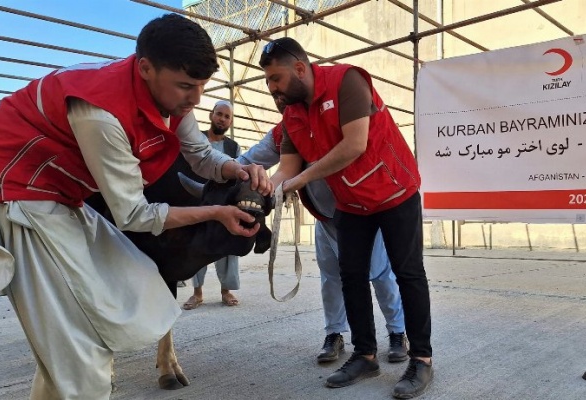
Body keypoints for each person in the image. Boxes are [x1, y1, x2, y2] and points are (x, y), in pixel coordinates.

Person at [0, 14, 271, 399]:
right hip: (18, 196)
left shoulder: (173, 102)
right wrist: (215, 213)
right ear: (145, 68)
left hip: (63, 197)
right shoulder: (101, 113)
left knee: (137, 280)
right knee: (80, 348)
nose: (195, 100)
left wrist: (239, 170)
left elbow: (199, 155)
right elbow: (133, 214)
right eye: (185, 87)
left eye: (201, 88)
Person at [259, 37, 432, 399]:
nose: (271, 87)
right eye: (268, 81)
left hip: (393, 191)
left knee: (408, 273)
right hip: (352, 202)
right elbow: (286, 169)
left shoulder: (346, 81)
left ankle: (421, 359)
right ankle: (365, 355)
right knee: (351, 275)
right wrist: (265, 188)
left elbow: (354, 144)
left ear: (300, 69)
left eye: (275, 78)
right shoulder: (290, 116)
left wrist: (301, 180)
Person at [238, 95, 409, 364]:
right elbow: (248, 159)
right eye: (274, 93)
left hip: (362, 213)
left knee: (379, 274)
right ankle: (335, 334)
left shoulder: (335, 119)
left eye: (283, 90)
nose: (280, 98)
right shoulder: (283, 132)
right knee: (331, 277)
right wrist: (221, 171)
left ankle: (397, 332)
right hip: (324, 217)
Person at [183, 100, 242, 309]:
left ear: (230, 122)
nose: (222, 119)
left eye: (227, 117)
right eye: (219, 114)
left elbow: (237, 176)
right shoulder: (195, 140)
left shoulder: (233, 147)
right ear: (211, 115)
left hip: (223, 202)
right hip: (197, 201)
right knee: (196, 244)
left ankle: (226, 291)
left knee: (227, 246)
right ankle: (197, 293)